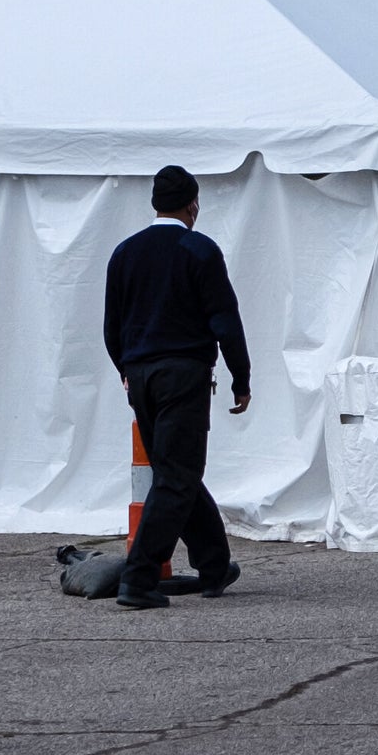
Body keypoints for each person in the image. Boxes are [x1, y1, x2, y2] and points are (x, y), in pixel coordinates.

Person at [103, 166, 251, 610]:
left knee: (175, 472)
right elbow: (225, 319)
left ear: (154, 203)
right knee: (177, 477)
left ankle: (214, 565)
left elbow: (112, 326)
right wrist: (240, 378)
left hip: (141, 377)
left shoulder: (124, 253)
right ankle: (139, 577)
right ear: (193, 204)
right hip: (182, 374)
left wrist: (126, 369)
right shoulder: (199, 250)